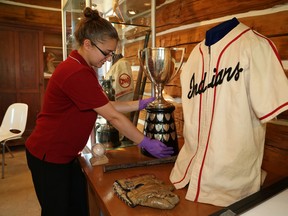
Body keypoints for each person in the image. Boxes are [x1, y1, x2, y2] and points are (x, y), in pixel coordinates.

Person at [25, 7, 174, 216]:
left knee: (80, 207)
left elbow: (105, 104)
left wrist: (140, 103)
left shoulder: (84, 68)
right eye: (107, 52)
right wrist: (144, 141)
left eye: (112, 53)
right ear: (88, 44)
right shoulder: (75, 72)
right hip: (48, 156)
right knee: (57, 211)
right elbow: (112, 115)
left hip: (67, 154)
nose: (109, 58)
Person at [169, 17, 288, 207]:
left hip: (232, 188)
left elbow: (270, 107)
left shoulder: (255, 46)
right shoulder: (194, 56)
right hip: (183, 173)